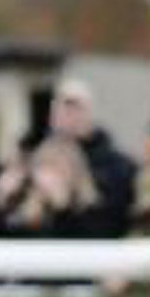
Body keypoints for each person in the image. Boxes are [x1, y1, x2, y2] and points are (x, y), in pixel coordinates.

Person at [45, 78, 135, 238]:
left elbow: (112, 225)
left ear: (89, 111)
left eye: (74, 107)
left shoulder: (117, 166)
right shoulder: (39, 158)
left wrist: (67, 201)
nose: (67, 114)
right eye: (62, 107)